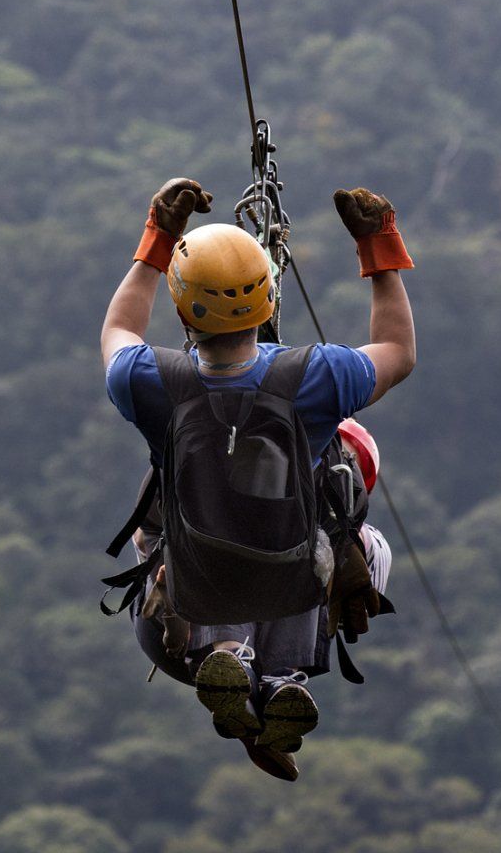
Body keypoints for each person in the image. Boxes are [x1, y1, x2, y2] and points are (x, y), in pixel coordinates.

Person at [100, 177, 417, 779]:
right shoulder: (318, 378)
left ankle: (231, 653)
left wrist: (158, 239)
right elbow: (397, 351)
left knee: (167, 536)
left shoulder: (152, 383)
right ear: (269, 300)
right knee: (359, 539)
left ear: (182, 307)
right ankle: (282, 675)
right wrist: (378, 245)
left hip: (190, 597)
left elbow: (117, 334)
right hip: (294, 579)